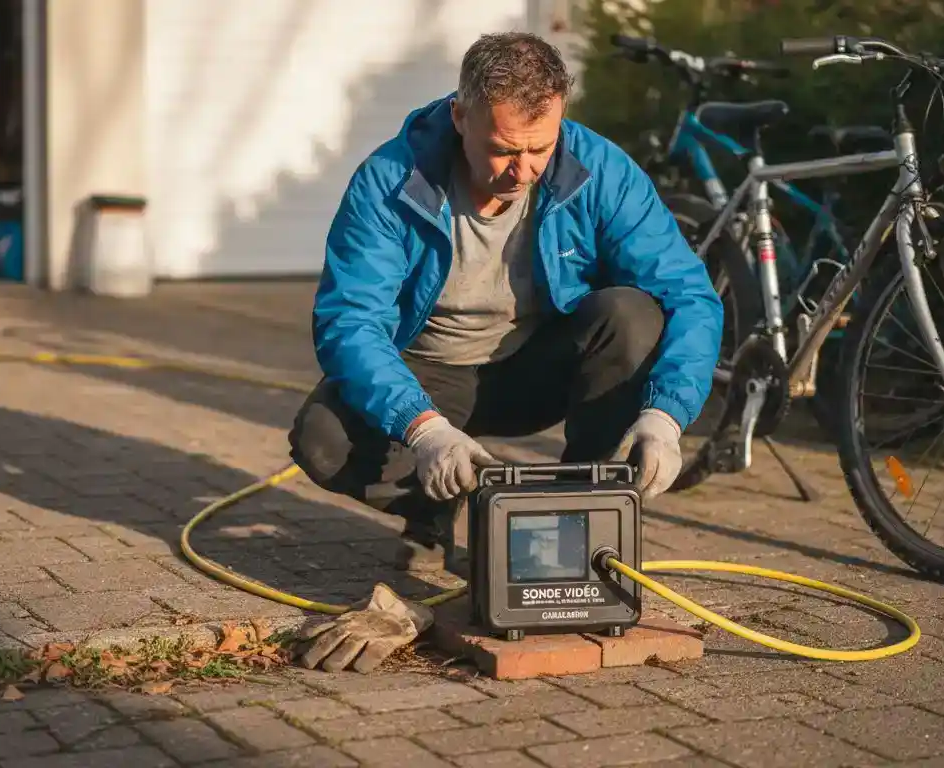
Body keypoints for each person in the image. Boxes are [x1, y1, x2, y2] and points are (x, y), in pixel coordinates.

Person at [287, 32, 723, 673]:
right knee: (322, 439)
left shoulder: (600, 172)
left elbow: (690, 296)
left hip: (534, 370)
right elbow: (349, 324)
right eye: (502, 150)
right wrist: (424, 429)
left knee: (631, 315)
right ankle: (441, 502)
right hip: (429, 378)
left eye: (540, 150)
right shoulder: (390, 181)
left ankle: (585, 520)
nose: (522, 172)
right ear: (461, 117)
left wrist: (666, 417)